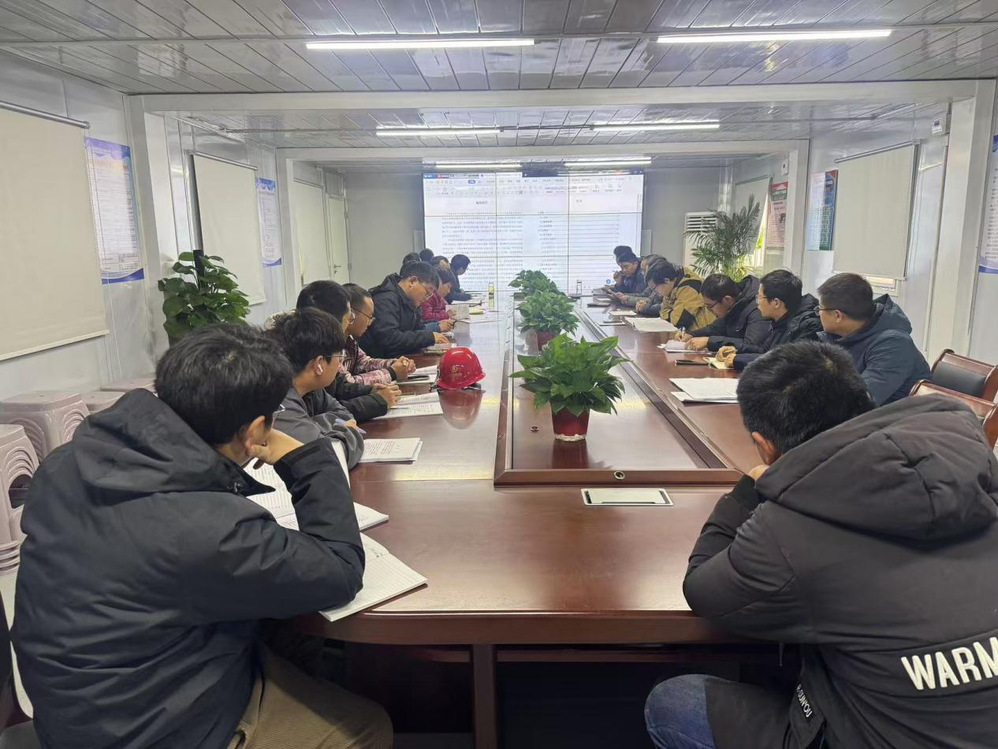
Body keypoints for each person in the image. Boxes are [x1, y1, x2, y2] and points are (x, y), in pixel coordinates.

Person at [14, 324, 392, 749]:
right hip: (148, 731)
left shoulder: (63, 464)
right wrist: (311, 459)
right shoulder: (212, 530)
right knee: (367, 727)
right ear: (255, 431)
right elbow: (339, 571)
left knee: (287, 639)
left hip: (73, 708)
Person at [646, 340, 998, 749]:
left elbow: (704, 590)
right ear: (864, 402)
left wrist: (747, 491)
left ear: (764, 445)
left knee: (674, 702)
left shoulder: (788, 530)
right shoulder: (977, 471)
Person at [267, 309, 365, 468]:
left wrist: (313, 425)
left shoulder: (311, 389)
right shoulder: (278, 400)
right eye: (339, 356)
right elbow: (330, 458)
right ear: (319, 364)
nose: (340, 364)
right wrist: (350, 432)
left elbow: (344, 415)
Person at [817, 272, 931, 406]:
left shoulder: (894, 345)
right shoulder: (843, 335)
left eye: (819, 309)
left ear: (837, 315)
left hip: (897, 417)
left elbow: (859, 401)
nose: (818, 313)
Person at [296, 280, 400, 421]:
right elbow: (313, 422)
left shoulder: (315, 345)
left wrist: (371, 390)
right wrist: (377, 400)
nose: (350, 322)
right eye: (349, 317)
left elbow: (338, 391)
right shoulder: (315, 353)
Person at [716, 269, 821, 370]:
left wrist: (739, 359)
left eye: (759, 297)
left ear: (776, 303)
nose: (757, 302)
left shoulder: (808, 325)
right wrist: (735, 350)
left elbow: (788, 362)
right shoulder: (782, 319)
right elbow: (765, 351)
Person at [360, 260, 450, 358]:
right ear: (412, 281)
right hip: (382, 360)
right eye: (428, 292)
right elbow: (389, 339)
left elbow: (417, 328)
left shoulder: (411, 301)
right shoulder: (385, 299)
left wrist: (433, 333)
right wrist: (428, 337)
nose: (427, 298)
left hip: (402, 357)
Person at [343, 283, 415, 386]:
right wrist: (392, 373)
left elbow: (364, 363)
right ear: (351, 314)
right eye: (369, 316)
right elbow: (347, 384)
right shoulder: (331, 344)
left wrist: (395, 364)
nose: (370, 323)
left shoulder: (350, 340)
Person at [679, 273, 770, 352]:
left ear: (727, 299)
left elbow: (752, 345)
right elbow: (716, 328)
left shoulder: (757, 309)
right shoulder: (733, 305)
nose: (709, 311)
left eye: (710, 306)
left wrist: (709, 342)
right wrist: (691, 334)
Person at [646, 260, 715, 331]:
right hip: (687, 333)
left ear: (666, 280)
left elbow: (678, 321)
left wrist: (669, 313)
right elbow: (663, 311)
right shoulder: (671, 289)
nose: (654, 292)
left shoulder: (689, 287)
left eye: (654, 288)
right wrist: (671, 313)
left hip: (702, 333)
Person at [421, 268, 457, 333]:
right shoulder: (428, 297)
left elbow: (445, 307)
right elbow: (427, 317)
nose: (448, 291)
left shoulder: (439, 297)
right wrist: (446, 315)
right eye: (448, 286)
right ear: (439, 282)